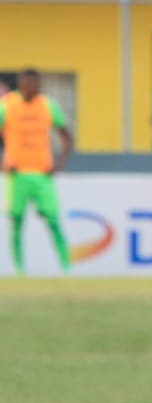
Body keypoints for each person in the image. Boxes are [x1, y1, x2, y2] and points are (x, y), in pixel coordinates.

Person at [0, 69, 74, 275]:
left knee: (53, 221)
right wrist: (2, 163)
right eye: (29, 84)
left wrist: (59, 163)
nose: (34, 89)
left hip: (42, 174)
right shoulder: (8, 105)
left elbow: (66, 136)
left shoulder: (47, 105)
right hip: (17, 174)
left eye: (37, 85)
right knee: (16, 222)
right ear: (21, 84)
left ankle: (67, 270)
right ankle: (20, 272)